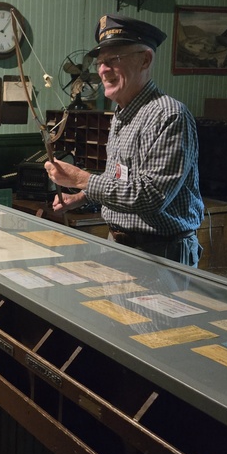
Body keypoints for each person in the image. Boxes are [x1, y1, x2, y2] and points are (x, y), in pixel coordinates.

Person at [45, 14, 204, 265]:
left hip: (161, 253)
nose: (102, 70)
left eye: (114, 60)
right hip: (120, 246)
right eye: (100, 62)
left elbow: (151, 198)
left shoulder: (170, 115)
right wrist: (81, 196)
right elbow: (119, 179)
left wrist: (81, 179)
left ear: (145, 59)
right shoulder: (122, 113)